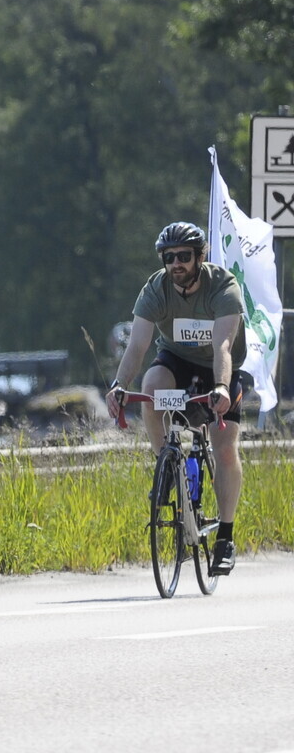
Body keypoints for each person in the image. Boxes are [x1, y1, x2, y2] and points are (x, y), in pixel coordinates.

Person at [104, 222, 248, 576]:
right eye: (169, 258)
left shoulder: (223, 286)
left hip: (220, 367)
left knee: (224, 447)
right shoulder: (156, 288)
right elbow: (138, 345)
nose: (176, 264)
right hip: (177, 361)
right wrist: (119, 385)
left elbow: (223, 346)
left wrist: (222, 387)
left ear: (200, 257)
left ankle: (225, 538)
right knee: (151, 387)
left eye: (184, 256)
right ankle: (166, 465)